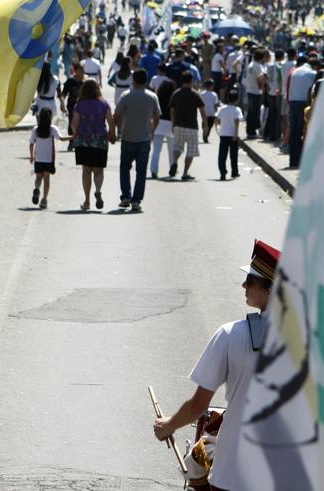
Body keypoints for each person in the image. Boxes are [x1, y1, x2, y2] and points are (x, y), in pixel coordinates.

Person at [153, 240, 281, 491]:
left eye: (251, 281)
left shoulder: (231, 335)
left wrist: (168, 425)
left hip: (236, 473)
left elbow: (198, 405)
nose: (244, 285)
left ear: (271, 290)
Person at [113, 69, 160, 212]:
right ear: (146, 81)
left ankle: (126, 196)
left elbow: (117, 115)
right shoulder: (152, 97)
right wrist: (151, 131)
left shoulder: (126, 96)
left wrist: (116, 131)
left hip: (127, 137)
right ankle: (136, 201)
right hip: (144, 139)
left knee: (124, 168)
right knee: (141, 171)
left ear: (133, 80)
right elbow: (157, 116)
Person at [71, 79, 116, 211]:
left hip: (84, 141)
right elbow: (111, 122)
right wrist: (112, 134)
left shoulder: (80, 104)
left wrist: (75, 134)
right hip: (100, 141)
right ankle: (98, 190)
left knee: (86, 170)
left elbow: (74, 124)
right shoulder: (104, 104)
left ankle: (87, 201)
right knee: (98, 170)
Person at [169, 70, 207, 180]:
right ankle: (185, 173)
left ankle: (174, 162)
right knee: (191, 150)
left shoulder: (176, 93)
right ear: (191, 81)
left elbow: (172, 110)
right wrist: (205, 125)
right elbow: (202, 112)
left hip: (178, 124)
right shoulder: (195, 94)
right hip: (191, 126)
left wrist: (173, 124)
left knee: (177, 147)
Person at [29, 108, 68, 209]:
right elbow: (62, 139)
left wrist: (31, 156)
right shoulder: (52, 129)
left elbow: (31, 143)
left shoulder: (36, 129)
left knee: (38, 177)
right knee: (46, 180)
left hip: (38, 159)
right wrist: (73, 137)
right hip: (48, 159)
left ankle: (37, 188)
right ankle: (44, 200)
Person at [287, 56, 318, 168]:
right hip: (302, 103)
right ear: (315, 66)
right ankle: (299, 160)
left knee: (293, 131)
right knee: (301, 132)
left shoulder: (296, 71)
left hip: (293, 102)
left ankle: (292, 160)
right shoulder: (311, 73)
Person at [151, 79, 177, 180]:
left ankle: (154, 170)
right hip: (171, 124)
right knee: (172, 150)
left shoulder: (157, 98)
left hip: (159, 123)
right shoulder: (174, 98)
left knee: (156, 150)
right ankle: (172, 168)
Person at [216, 89, 243, 180]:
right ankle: (234, 172)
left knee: (222, 155)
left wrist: (219, 128)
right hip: (232, 135)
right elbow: (237, 122)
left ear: (228, 98)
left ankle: (222, 173)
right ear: (236, 99)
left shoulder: (222, 108)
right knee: (234, 155)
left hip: (223, 134)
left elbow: (217, 119)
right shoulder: (237, 109)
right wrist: (236, 134)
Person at [61, 62, 85, 150]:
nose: (82, 72)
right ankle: (71, 142)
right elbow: (63, 94)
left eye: (83, 70)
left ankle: (80, 142)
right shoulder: (70, 81)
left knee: (82, 124)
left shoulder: (86, 81)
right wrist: (62, 105)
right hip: (72, 105)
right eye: (80, 70)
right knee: (72, 123)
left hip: (84, 106)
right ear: (75, 71)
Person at [243, 49, 266, 139]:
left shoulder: (251, 65)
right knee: (254, 113)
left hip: (250, 90)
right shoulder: (258, 66)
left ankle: (251, 131)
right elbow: (260, 79)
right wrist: (262, 87)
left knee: (251, 112)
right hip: (255, 92)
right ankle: (251, 132)